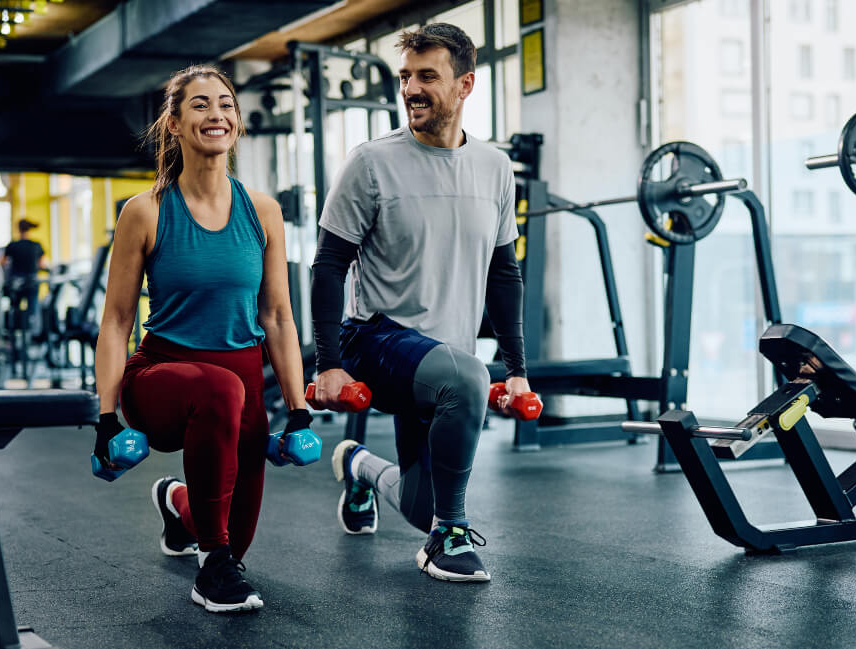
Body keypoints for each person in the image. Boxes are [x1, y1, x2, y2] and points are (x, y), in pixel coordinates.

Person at [310, 23, 530, 583]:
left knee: (416, 504)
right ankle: (449, 536)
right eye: (405, 76)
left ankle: (358, 468)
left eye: (427, 76)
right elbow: (329, 265)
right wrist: (329, 364)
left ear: (465, 86)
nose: (411, 88)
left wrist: (520, 372)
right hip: (377, 339)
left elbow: (504, 275)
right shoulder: (371, 162)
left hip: (443, 358)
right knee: (466, 379)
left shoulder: (495, 168)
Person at [93, 64, 310, 613]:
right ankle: (209, 570)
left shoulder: (262, 211)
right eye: (200, 104)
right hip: (163, 377)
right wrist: (104, 418)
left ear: (237, 121)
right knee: (222, 550)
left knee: (236, 535)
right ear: (174, 122)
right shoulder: (144, 212)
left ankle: (179, 503)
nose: (217, 114)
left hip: (240, 385)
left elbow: (279, 317)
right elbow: (118, 320)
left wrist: (299, 409)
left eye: (226, 104)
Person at [0, 218, 46, 332]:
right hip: (32, 282)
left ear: (18, 229)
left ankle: (14, 335)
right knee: (32, 311)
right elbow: (42, 264)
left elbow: (1, 262)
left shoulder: (13, 245)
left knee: (15, 310)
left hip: (16, 283)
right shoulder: (36, 245)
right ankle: (31, 335)